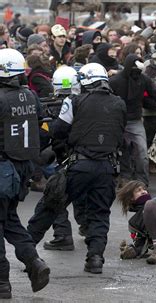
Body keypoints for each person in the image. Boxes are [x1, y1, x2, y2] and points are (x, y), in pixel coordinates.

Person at [34, 63, 126, 274]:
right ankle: (95, 259)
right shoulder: (119, 103)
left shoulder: (74, 101)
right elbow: (120, 134)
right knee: (99, 214)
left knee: (50, 204)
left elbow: (59, 131)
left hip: (79, 165)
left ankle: (28, 253)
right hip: (107, 167)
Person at [0, 48, 50, 299]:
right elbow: (42, 126)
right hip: (22, 169)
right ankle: (34, 262)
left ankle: (2, 282)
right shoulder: (30, 96)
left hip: (3, 167)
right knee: (9, 220)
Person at [27, 66, 84, 251]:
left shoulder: (57, 107)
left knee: (55, 197)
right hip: (90, 160)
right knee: (88, 200)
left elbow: (47, 137)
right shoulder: (87, 103)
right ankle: (88, 232)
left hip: (68, 162)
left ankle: (62, 235)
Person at [109, 54, 156, 186]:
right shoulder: (115, 81)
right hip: (118, 121)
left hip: (135, 120)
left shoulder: (143, 79)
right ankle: (125, 178)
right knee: (122, 151)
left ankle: (141, 181)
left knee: (141, 152)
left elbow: (155, 92)